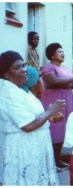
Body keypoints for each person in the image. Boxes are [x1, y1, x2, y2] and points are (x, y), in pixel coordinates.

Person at [0, 50, 66, 185]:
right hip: (23, 149)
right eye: (17, 67)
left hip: (33, 148)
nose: (24, 70)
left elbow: (32, 117)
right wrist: (49, 112)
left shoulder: (20, 90)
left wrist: (50, 117)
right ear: (6, 73)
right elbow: (27, 126)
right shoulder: (9, 92)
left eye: (23, 65)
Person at [41, 43, 73, 171]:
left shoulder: (65, 68)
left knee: (62, 129)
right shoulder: (48, 67)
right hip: (54, 99)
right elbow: (53, 81)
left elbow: (72, 85)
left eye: (62, 51)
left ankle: (57, 159)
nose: (62, 53)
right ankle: (51, 161)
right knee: (54, 128)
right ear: (52, 55)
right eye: (59, 51)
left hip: (66, 97)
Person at [27, 31, 43, 99]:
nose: (37, 41)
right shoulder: (28, 50)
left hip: (37, 77)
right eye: (34, 39)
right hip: (31, 79)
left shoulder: (35, 51)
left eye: (38, 39)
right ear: (29, 40)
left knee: (39, 95)